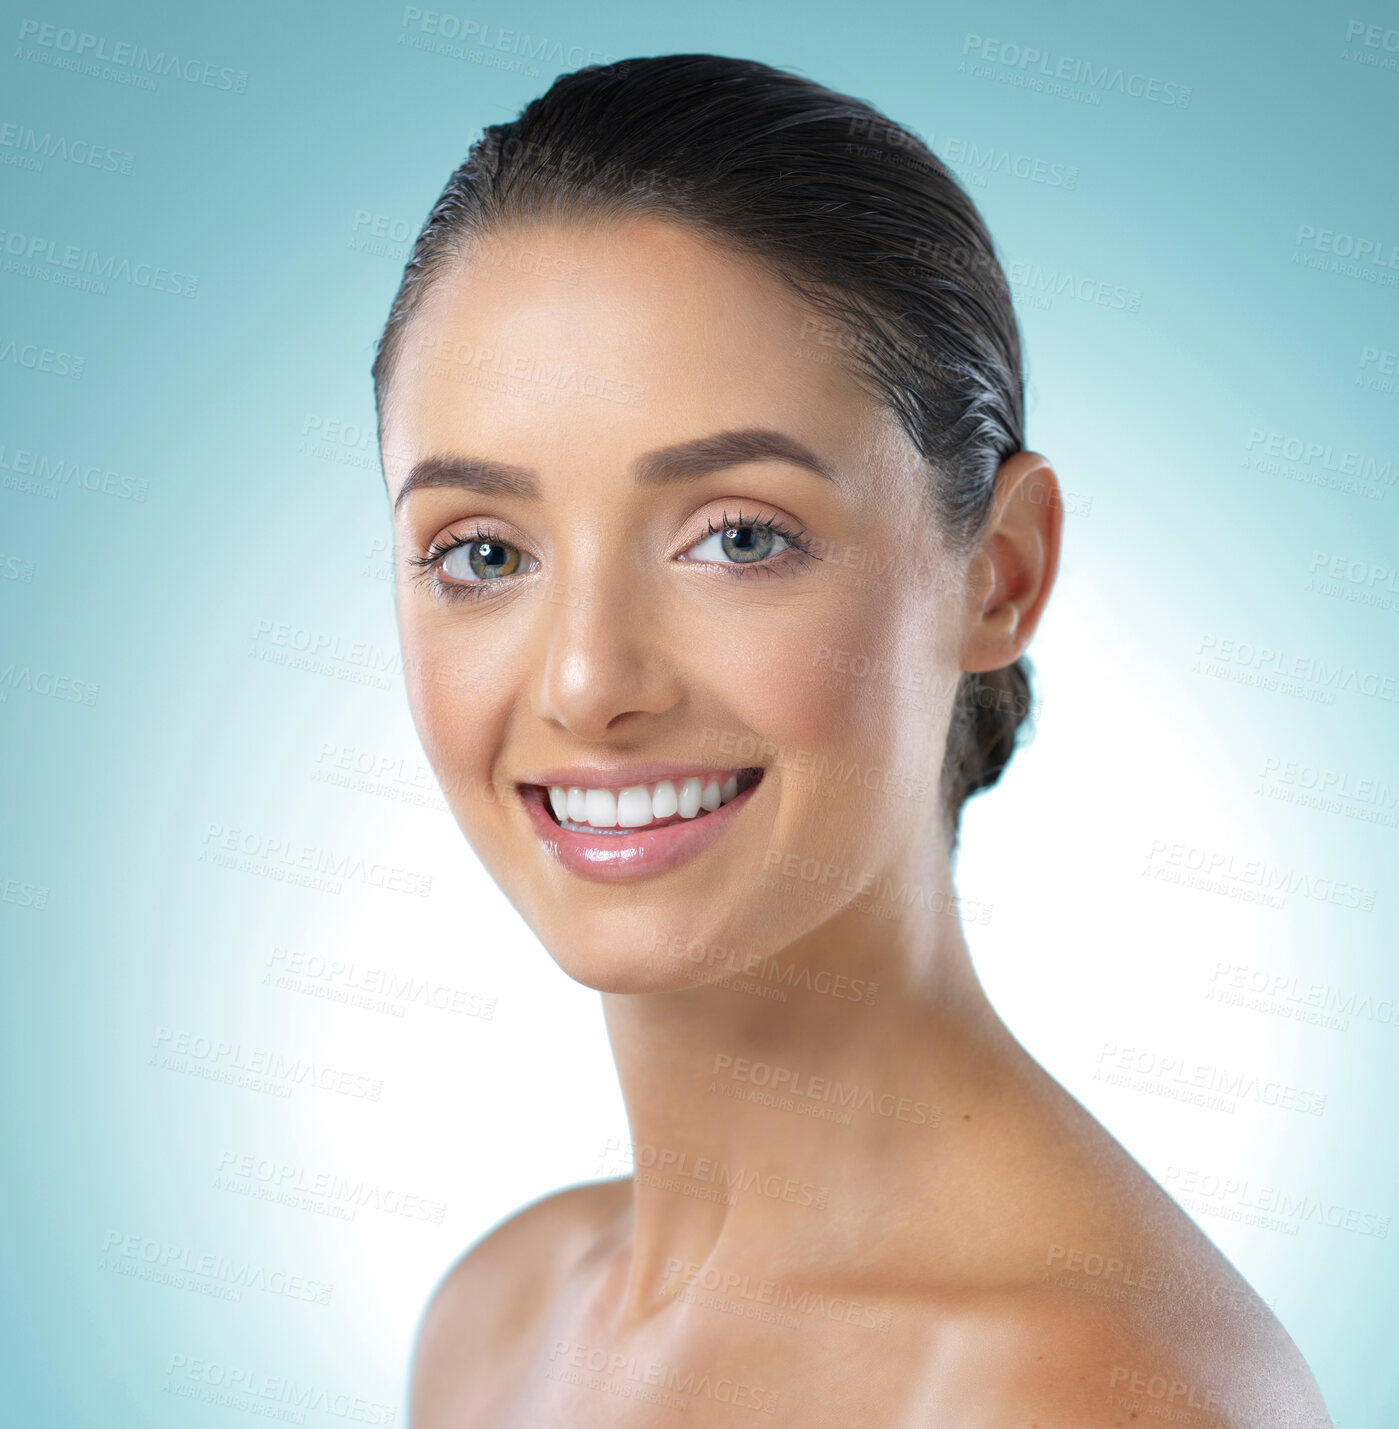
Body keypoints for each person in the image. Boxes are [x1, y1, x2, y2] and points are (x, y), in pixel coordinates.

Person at [371, 53, 1332, 1427]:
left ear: (997, 572)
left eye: (740, 536)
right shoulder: (496, 1320)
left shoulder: (1090, 1390)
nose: (588, 682)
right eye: (481, 551)